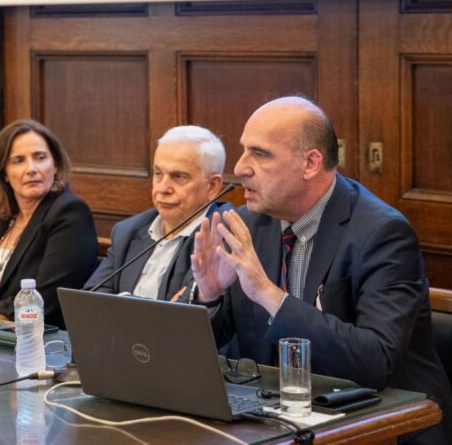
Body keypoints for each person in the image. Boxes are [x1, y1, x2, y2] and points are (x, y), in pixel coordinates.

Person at [190, 96, 452, 444]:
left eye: (260, 154)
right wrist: (209, 297)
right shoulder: (250, 224)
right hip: (277, 417)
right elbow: (212, 346)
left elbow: (375, 362)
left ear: (310, 163)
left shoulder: (382, 233)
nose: (240, 167)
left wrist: (268, 294)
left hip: (383, 422)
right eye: (243, 151)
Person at [0, 119, 97, 328]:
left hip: (28, 335)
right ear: (4, 173)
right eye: (18, 161)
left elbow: (47, 296)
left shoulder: (70, 214)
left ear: (55, 165)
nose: (31, 169)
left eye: (40, 158)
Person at [86, 125, 228, 299]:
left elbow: (187, 309)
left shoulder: (222, 238)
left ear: (212, 186)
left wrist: (123, 303)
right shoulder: (127, 231)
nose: (162, 188)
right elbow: (91, 297)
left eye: (178, 176)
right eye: (158, 174)